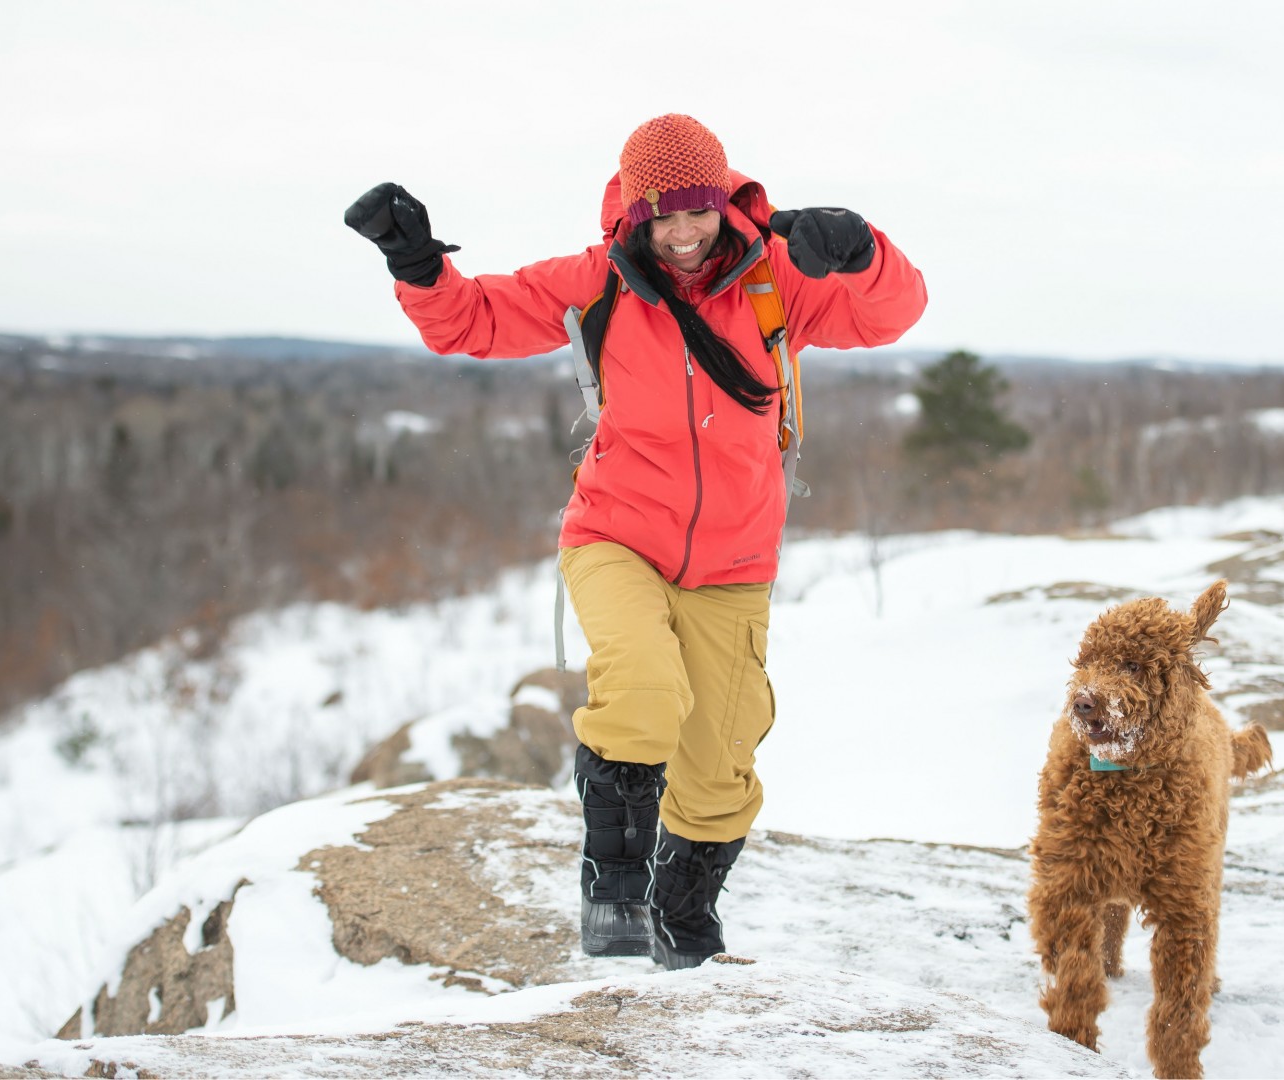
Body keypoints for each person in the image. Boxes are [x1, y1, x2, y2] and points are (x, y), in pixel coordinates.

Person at [345, 114, 927, 969]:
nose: (683, 234)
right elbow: (470, 322)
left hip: (735, 560)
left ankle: (683, 915)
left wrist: (864, 251)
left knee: (721, 765)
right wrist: (417, 263)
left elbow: (891, 315)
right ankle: (613, 890)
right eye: (663, 217)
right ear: (633, 214)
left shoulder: (778, 278)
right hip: (616, 536)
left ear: (725, 202)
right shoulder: (600, 282)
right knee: (644, 694)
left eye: (698, 212)